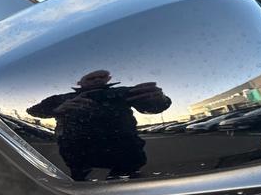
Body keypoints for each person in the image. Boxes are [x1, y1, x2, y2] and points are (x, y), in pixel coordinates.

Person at [27, 70, 171, 181]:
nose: (97, 80)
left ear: (108, 79)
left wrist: (159, 98)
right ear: (80, 82)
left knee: (134, 189)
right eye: (91, 78)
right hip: (77, 153)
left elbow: (153, 108)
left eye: (102, 77)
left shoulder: (123, 92)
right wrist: (57, 110)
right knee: (81, 187)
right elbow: (33, 111)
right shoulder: (61, 98)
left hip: (125, 152)